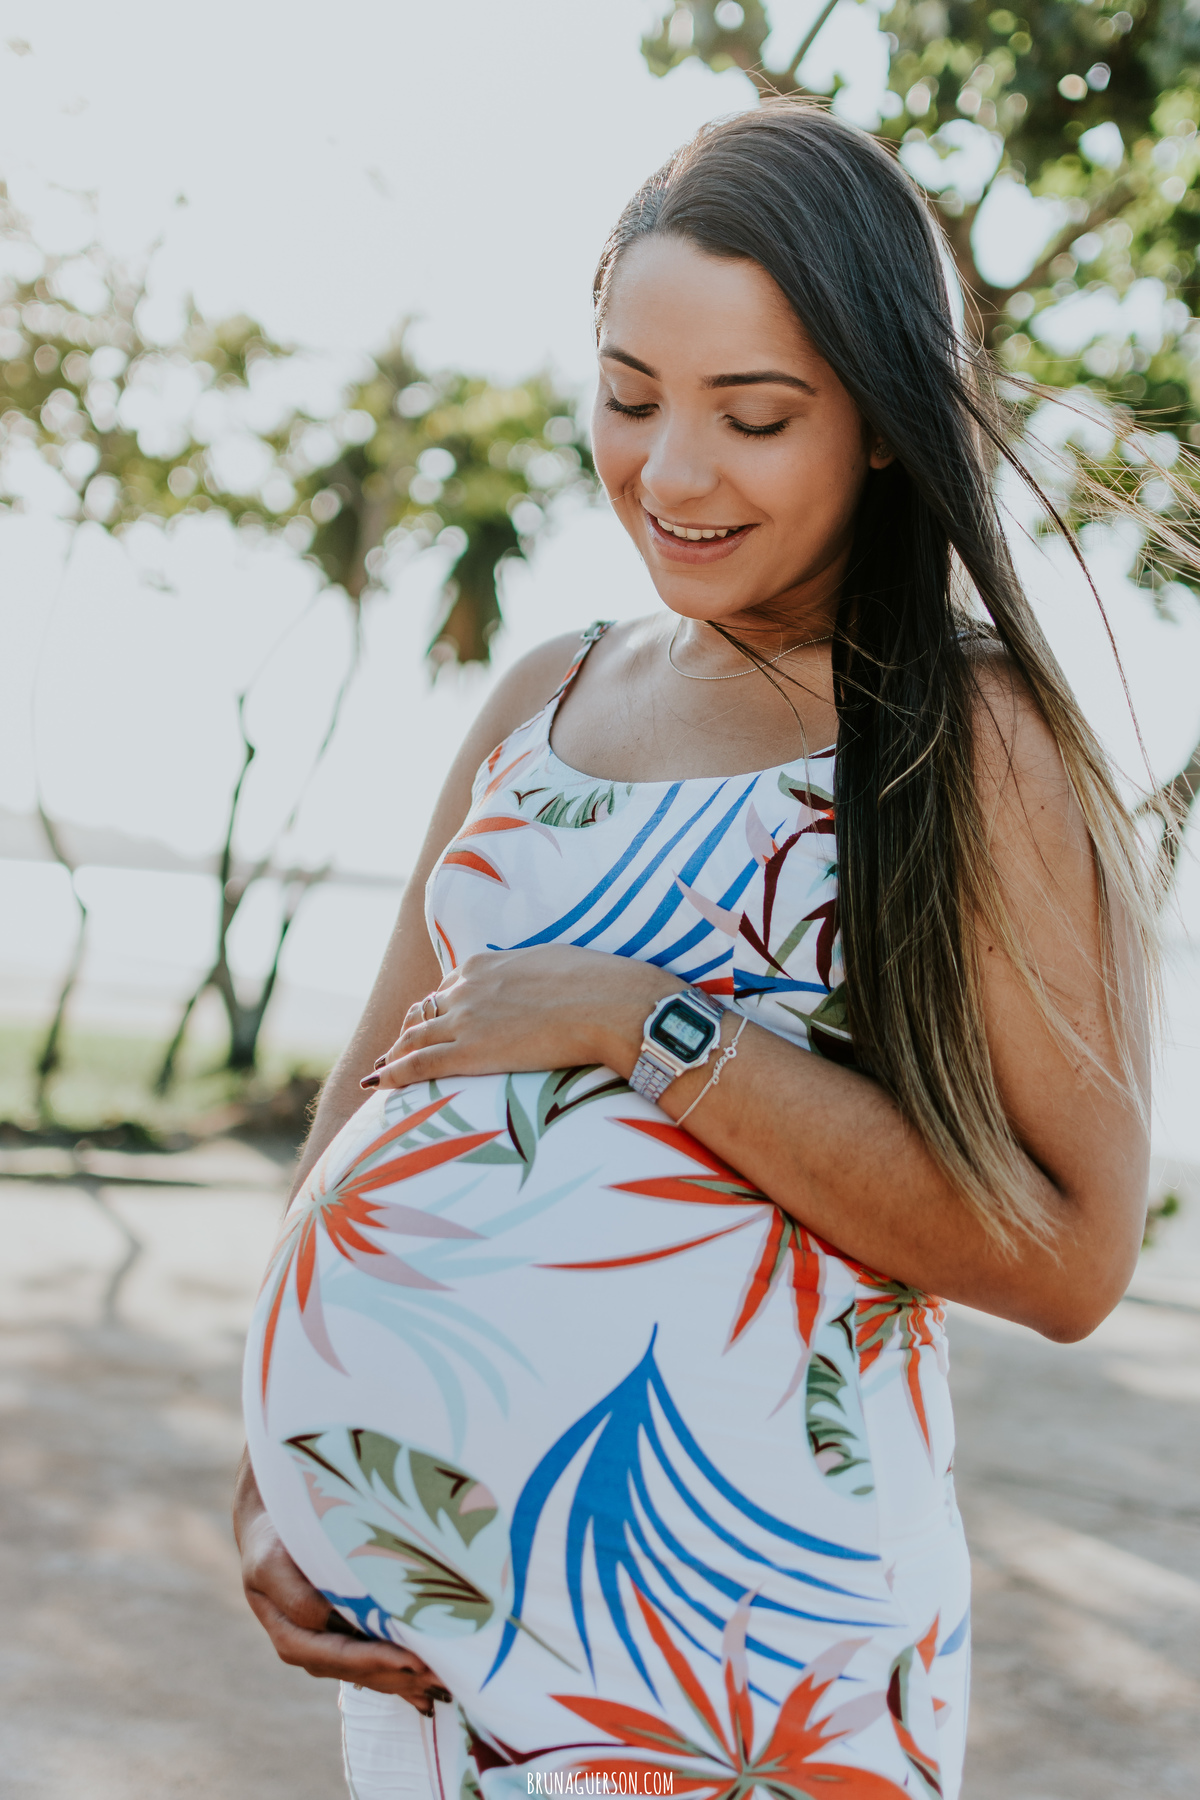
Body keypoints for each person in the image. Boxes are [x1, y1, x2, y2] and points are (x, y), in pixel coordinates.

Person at [233, 104, 1155, 1800]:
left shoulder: (968, 739)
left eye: (754, 416)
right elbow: (373, 1093)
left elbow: (1072, 1255)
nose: (668, 471)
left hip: (750, 1660)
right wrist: (283, 1466)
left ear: (881, 420)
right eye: (628, 394)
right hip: (440, 1635)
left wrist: (639, 1019)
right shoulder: (544, 698)